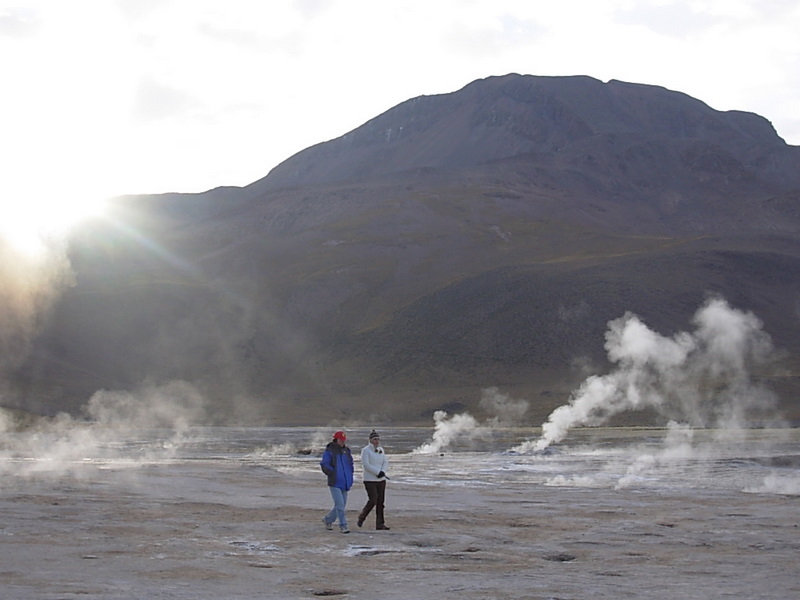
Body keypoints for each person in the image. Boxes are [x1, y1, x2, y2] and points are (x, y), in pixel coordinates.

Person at [320, 430, 354, 533]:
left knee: (341, 506)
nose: (343, 442)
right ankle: (343, 525)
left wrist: (351, 474)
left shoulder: (347, 451)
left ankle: (328, 519)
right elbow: (324, 464)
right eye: (341, 440)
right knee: (340, 506)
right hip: (335, 482)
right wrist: (332, 472)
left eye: (344, 440)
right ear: (336, 439)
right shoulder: (330, 450)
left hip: (345, 482)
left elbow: (350, 464)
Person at [357, 429, 391, 530]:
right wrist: (377, 472)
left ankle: (380, 524)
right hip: (369, 480)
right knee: (373, 500)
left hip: (381, 480)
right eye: (375, 439)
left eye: (378, 439)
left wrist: (383, 472)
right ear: (370, 440)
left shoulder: (381, 450)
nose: (377, 441)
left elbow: (385, 462)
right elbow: (366, 465)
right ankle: (362, 516)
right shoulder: (365, 451)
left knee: (381, 502)